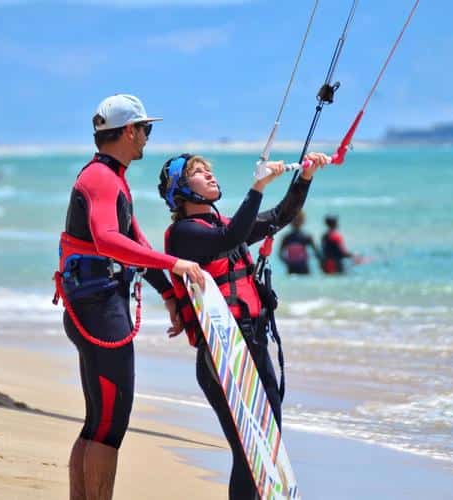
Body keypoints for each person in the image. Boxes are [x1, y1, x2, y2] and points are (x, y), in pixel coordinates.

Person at [55, 94, 204, 500]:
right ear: (127, 132)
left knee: (98, 423)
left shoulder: (110, 177)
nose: (147, 139)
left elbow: (135, 242)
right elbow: (107, 240)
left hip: (95, 307)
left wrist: (169, 294)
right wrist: (177, 265)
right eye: (145, 130)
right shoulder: (102, 179)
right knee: (110, 425)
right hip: (100, 312)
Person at [158, 151, 328, 499]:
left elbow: (282, 215)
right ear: (180, 190)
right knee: (250, 453)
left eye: (209, 170)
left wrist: (306, 176)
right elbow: (229, 239)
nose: (209, 175)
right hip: (222, 357)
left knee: (268, 449)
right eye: (198, 172)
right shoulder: (183, 235)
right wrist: (258, 185)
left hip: (254, 346)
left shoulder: (223, 227)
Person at [278, 210, 321, 275]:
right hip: (297, 267)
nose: (296, 222)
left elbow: (280, 254)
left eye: (298, 220)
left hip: (297, 268)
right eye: (295, 220)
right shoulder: (287, 237)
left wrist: (288, 262)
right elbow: (317, 253)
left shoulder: (306, 236)